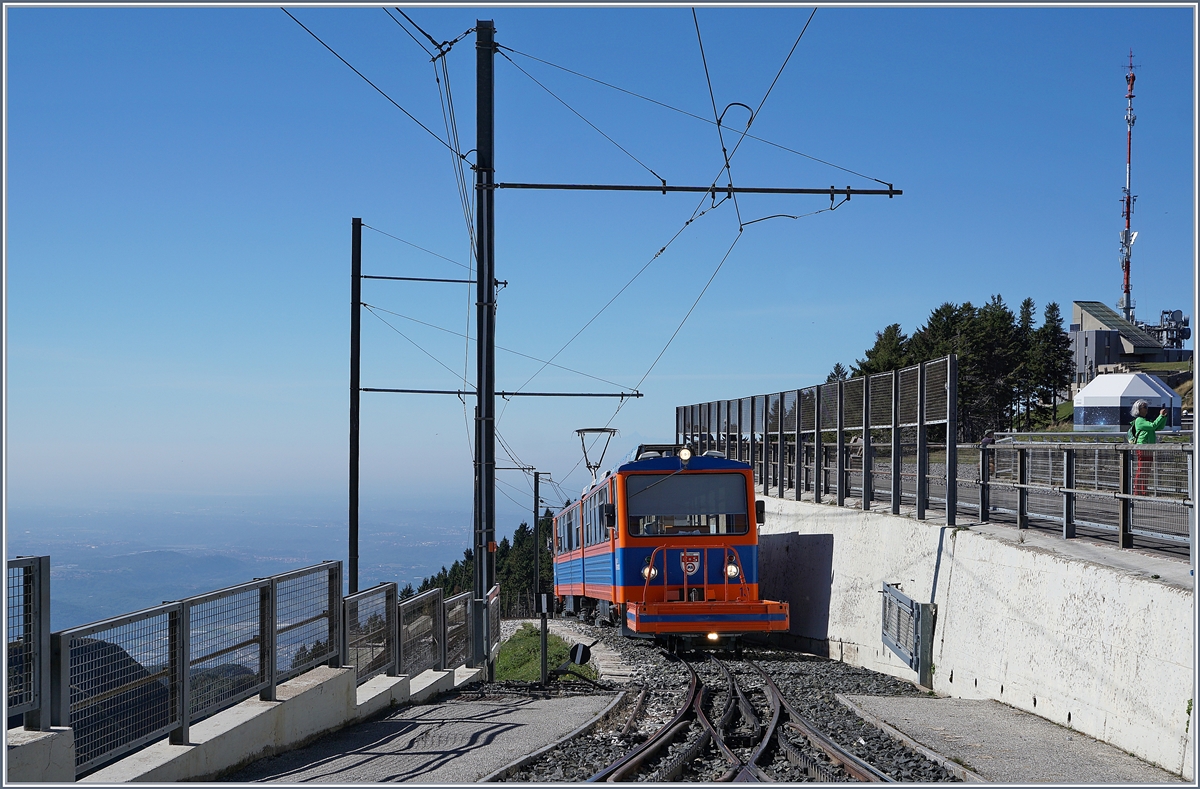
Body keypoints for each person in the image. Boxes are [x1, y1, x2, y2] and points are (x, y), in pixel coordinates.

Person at [1130, 399, 1168, 496]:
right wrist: (1160, 416)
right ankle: (1137, 492)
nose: (1147, 409)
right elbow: (1153, 426)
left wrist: (1164, 417)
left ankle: (1143, 491)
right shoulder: (1139, 420)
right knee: (1142, 470)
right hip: (1142, 447)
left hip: (1148, 447)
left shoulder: (1146, 419)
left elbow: (1159, 427)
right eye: (1145, 407)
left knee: (1146, 470)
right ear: (1138, 409)